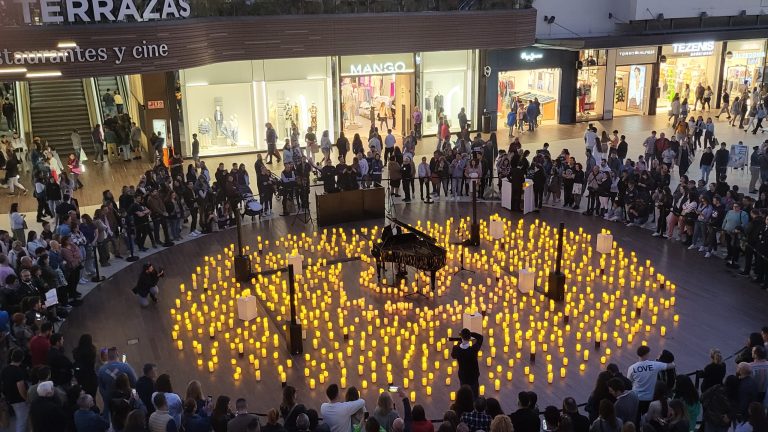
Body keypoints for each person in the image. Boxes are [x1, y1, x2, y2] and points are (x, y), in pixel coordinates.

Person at [627, 345, 675, 417]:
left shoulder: (631, 368)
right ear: (647, 354)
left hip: (636, 397)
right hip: (650, 397)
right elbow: (671, 365)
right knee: (647, 416)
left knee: (636, 416)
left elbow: (629, 382)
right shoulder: (655, 365)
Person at [97, 346, 137, 420]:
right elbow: (135, 382)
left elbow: (101, 388)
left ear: (108, 356)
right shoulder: (126, 366)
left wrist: (106, 398)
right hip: (126, 400)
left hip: (110, 401)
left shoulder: (101, 370)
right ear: (117, 355)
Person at [1, 349, 28, 432]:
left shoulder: (5, 370)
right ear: (22, 358)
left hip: (9, 398)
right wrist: (26, 398)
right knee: (21, 421)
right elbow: (21, 388)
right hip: (18, 400)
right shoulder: (18, 371)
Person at [451, 328, 483, 397]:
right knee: (475, 394)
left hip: (463, 376)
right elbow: (480, 337)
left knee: (464, 394)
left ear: (461, 337)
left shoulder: (457, 349)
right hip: (473, 375)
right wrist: (470, 334)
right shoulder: (474, 349)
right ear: (469, 338)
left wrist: (459, 342)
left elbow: (453, 356)